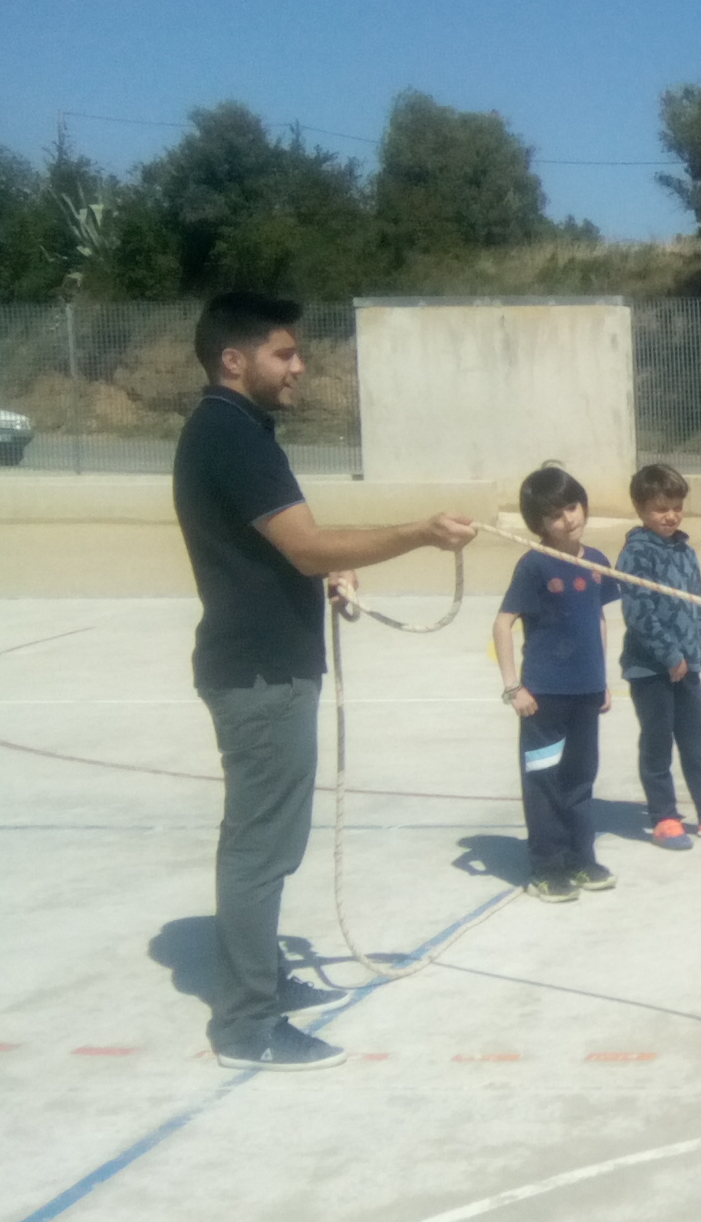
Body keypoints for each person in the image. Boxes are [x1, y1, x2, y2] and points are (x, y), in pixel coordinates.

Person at [171, 291, 475, 1072]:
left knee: (268, 843)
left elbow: (283, 551)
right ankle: (246, 1025)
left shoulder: (235, 431)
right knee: (261, 850)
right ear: (233, 360)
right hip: (260, 675)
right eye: (283, 353)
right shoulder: (231, 436)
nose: (298, 366)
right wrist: (417, 532)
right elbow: (304, 544)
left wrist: (325, 571)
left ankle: (264, 979)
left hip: (266, 667)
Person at [494, 466, 619, 905]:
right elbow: (503, 624)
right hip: (543, 699)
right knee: (544, 783)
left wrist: (602, 679)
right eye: (554, 515)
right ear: (539, 524)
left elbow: (598, 619)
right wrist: (514, 687)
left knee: (580, 779)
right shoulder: (533, 565)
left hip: (586, 693)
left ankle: (581, 859)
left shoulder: (597, 561)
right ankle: (547, 867)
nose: (568, 519)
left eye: (572, 506)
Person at [617, 462, 701, 850]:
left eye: (676, 507)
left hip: (687, 666)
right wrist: (669, 655)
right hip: (650, 670)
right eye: (661, 509)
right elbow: (638, 613)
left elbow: (698, 609)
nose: (671, 516)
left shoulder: (686, 553)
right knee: (657, 742)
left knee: (698, 738)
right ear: (641, 509)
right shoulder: (636, 554)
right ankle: (664, 817)